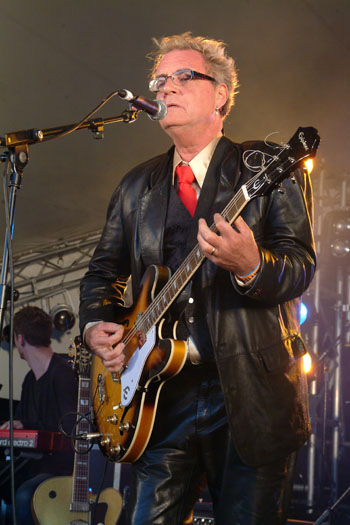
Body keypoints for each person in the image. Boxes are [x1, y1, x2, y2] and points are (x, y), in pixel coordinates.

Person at [79, 32, 316, 524]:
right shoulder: (134, 186)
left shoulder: (266, 166)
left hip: (251, 394)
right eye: (159, 80)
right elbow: (103, 272)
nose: (166, 88)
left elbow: (298, 267)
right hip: (157, 399)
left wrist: (251, 265)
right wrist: (96, 323)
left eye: (183, 76)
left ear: (222, 93)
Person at [0, 306, 78, 525]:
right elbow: (23, 434)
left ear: (20, 339)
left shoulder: (63, 374)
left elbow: (71, 432)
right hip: (33, 466)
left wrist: (25, 423)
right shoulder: (28, 380)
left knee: (26, 495)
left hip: (62, 469)